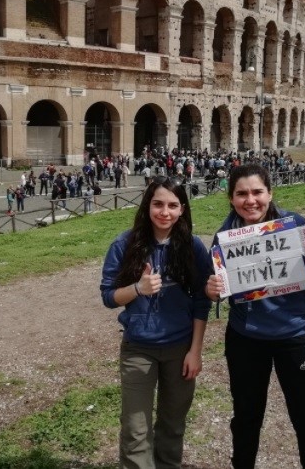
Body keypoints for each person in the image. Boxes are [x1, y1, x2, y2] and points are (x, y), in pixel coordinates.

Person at [204, 163, 305, 469]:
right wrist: (212, 290)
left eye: (257, 192)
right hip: (246, 339)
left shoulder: (294, 225)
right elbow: (219, 291)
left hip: (296, 335)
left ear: (270, 193)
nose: (251, 200)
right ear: (231, 198)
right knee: (246, 419)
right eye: (242, 194)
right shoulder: (223, 237)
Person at [100, 177, 212, 469]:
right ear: (147, 205)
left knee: (172, 424)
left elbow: (203, 300)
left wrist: (196, 350)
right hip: (139, 349)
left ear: (183, 209)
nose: (165, 212)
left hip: (180, 347)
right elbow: (109, 297)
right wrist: (138, 288)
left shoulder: (192, 247)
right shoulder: (124, 244)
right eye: (158, 204)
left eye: (173, 205)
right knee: (136, 429)